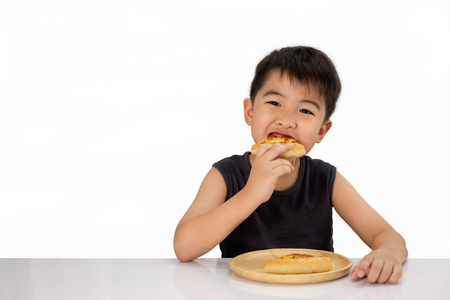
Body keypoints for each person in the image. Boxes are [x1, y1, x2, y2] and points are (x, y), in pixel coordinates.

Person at [173, 46, 408, 284]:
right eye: (275, 103)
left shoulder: (325, 179)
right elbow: (184, 247)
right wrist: (251, 194)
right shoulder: (224, 175)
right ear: (250, 112)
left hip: (314, 290)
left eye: (305, 110)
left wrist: (387, 253)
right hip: (244, 290)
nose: (286, 121)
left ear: (321, 131)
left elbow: (386, 235)